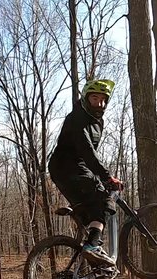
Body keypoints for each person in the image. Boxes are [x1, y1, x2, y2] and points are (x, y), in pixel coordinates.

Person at [48, 79, 123, 267]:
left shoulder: (98, 122)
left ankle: (77, 277)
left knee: (88, 214)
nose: (99, 103)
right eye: (95, 98)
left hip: (70, 169)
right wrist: (106, 177)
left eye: (103, 100)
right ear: (85, 99)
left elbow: (89, 154)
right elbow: (86, 150)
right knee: (105, 201)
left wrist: (98, 176)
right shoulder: (77, 118)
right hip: (68, 167)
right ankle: (91, 247)